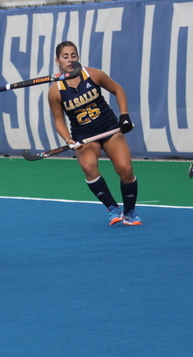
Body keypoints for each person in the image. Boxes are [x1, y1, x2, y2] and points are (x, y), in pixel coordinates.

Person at [47, 41, 140, 226]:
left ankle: (130, 212)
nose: (70, 60)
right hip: (85, 136)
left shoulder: (93, 74)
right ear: (58, 61)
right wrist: (68, 139)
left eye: (73, 55)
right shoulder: (55, 91)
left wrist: (124, 115)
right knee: (89, 167)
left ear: (78, 57)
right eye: (65, 56)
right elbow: (59, 121)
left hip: (109, 129)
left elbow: (118, 89)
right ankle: (112, 208)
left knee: (125, 169)